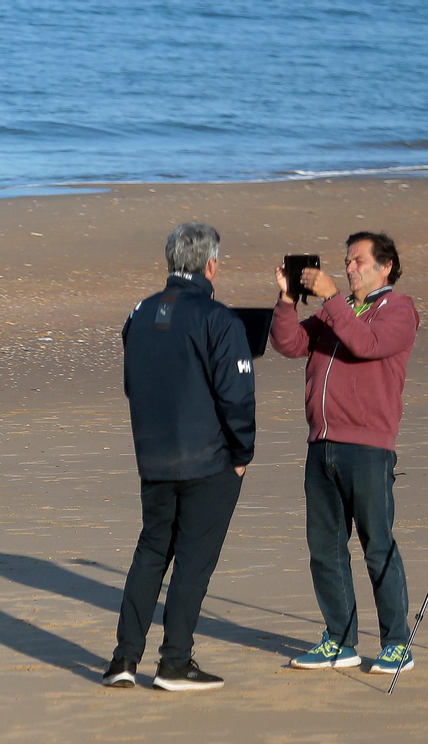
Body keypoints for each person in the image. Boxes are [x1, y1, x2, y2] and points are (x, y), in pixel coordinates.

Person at [104, 222, 255, 692]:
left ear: (172, 262)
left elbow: (133, 384)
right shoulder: (219, 318)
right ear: (210, 264)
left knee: (151, 552)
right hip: (208, 460)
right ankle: (174, 662)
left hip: (155, 456)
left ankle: (123, 659)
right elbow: (237, 397)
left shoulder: (140, 312)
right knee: (192, 560)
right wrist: (242, 452)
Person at [271, 232, 420, 675]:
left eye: (358, 261)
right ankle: (339, 639)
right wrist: (286, 301)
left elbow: (366, 345)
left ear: (384, 267)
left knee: (378, 546)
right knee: (326, 549)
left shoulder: (398, 309)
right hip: (322, 445)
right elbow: (290, 344)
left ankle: (396, 642)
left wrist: (333, 296)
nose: (350, 267)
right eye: (347, 261)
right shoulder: (338, 312)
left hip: (368, 448)